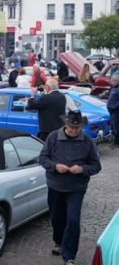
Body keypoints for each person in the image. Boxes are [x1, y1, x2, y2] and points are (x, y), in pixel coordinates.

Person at [39, 110, 101, 265]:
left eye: (77, 128)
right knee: (57, 218)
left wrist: (82, 169)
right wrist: (55, 166)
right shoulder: (53, 137)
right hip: (55, 185)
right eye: (71, 127)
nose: (74, 131)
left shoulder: (87, 141)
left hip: (76, 187)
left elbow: (96, 166)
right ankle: (59, 242)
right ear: (65, 125)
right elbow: (42, 158)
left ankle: (69, 256)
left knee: (73, 220)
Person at [107, 72, 119, 149]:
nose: (112, 82)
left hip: (116, 111)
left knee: (116, 127)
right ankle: (115, 141)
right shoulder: (114, 88)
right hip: (111, 111)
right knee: (113, 127)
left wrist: (115, 106)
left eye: (113, 81)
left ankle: (117, 142)